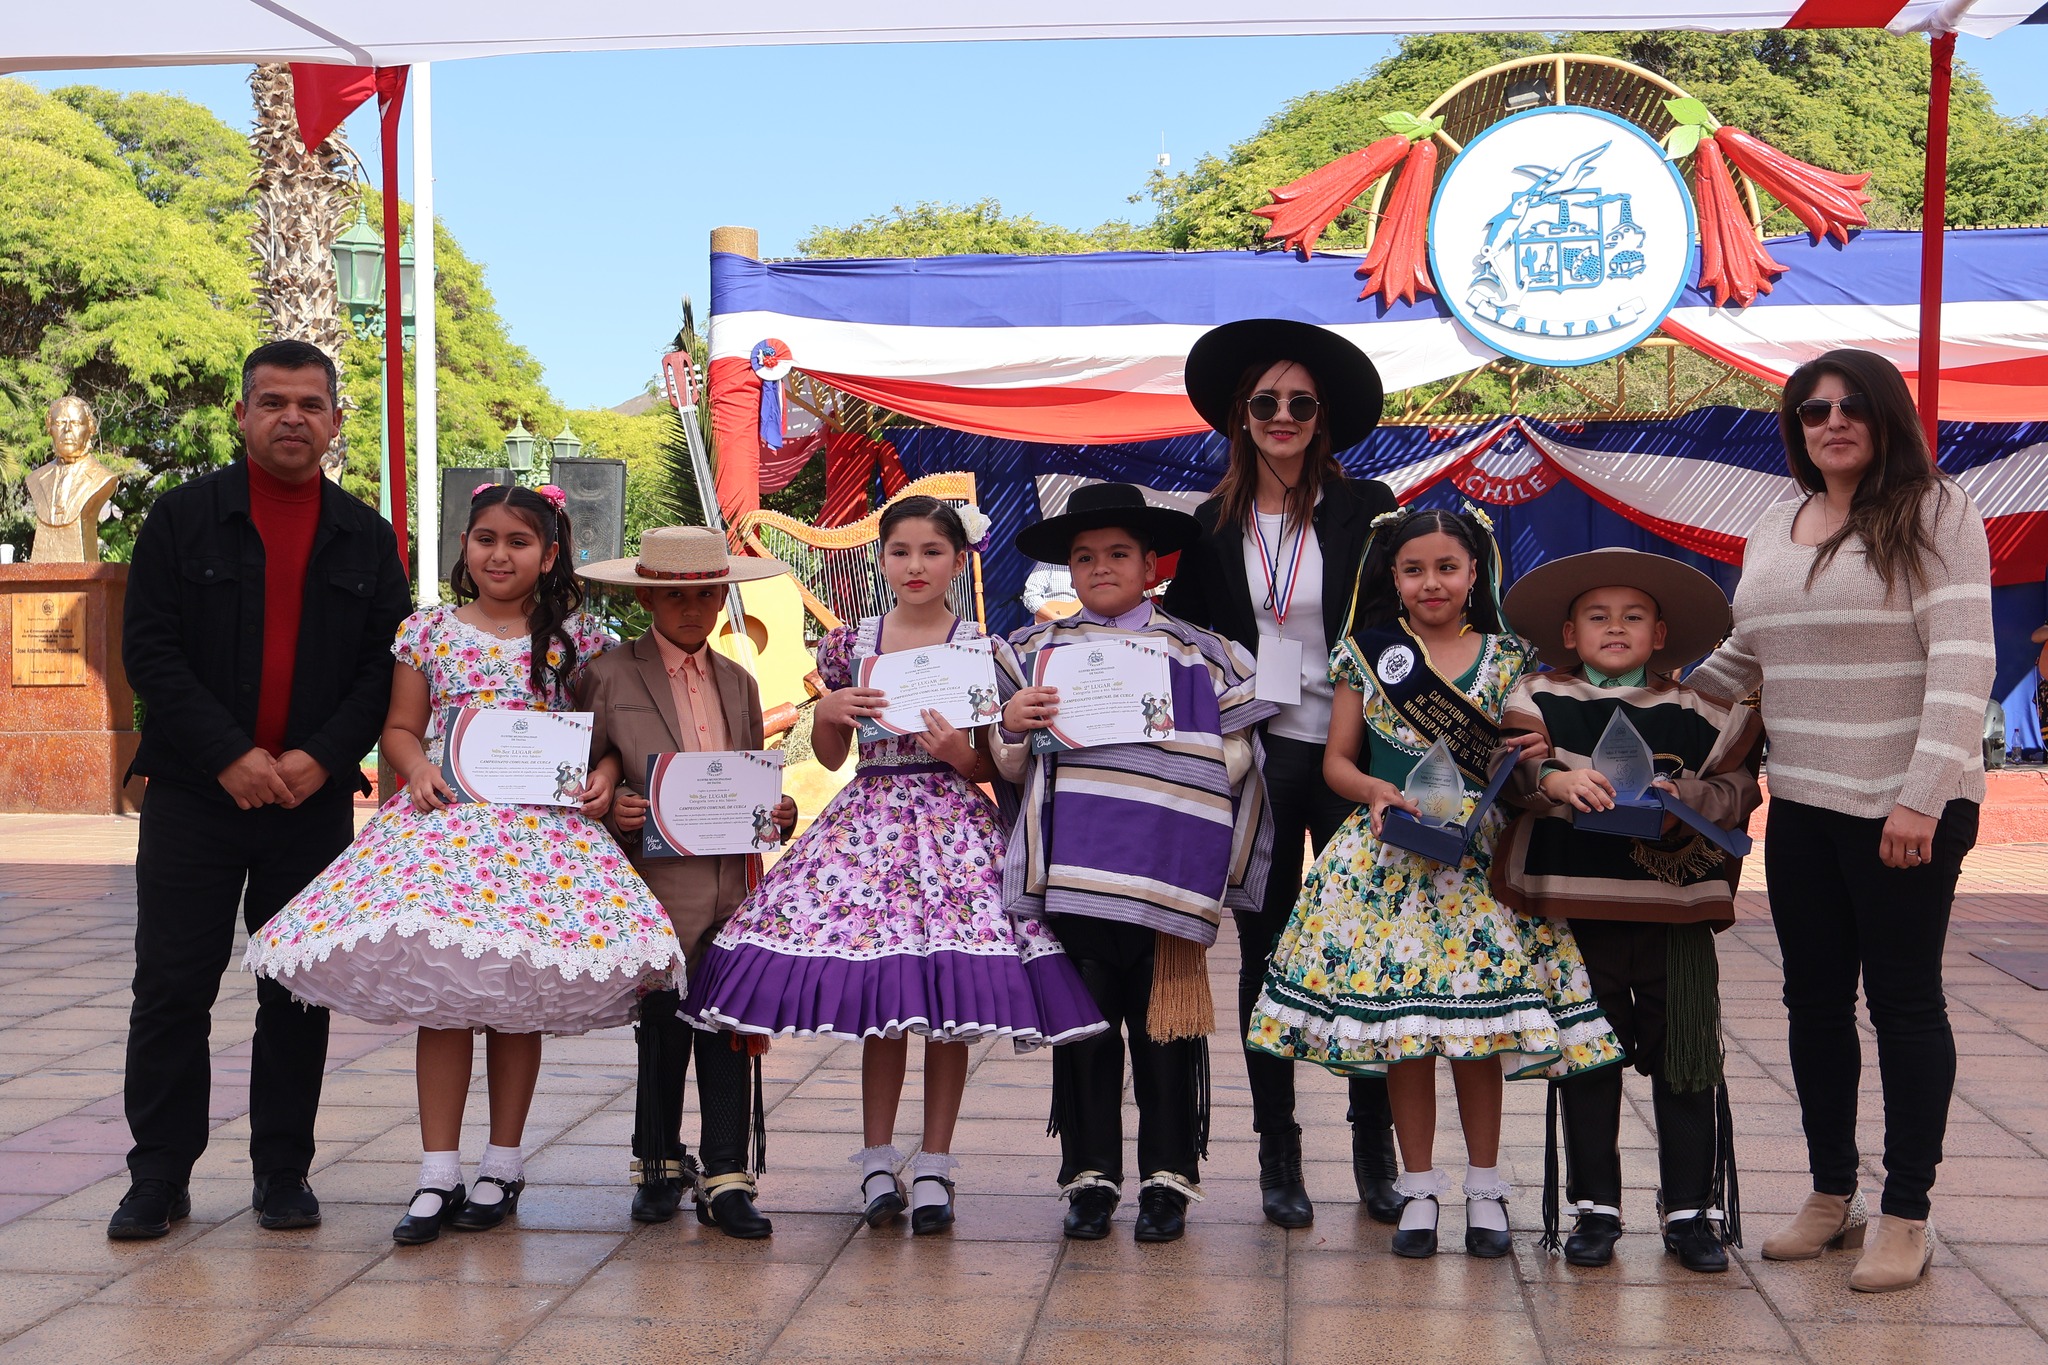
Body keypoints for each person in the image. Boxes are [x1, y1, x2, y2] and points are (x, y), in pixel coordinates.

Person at [244, 484, 681, 1245]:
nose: (499, 554)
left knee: (519, 997)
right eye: (484, 538)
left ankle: (502, 1162)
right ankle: (436, 1168)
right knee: (445, 1000)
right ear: (464, 547)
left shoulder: (580, 639)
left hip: (544, 843)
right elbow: (401, 727)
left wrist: (607, 773)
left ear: (548, 555)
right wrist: (413, 768)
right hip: (450, 832)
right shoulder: (430, 632)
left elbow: (606, 732)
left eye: (518, 541)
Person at [684, 496, 1104, 1235]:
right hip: (868, 824)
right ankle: (878, 1159)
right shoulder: (850, 645)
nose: (915, 566)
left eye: (931, 552)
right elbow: (831, 758)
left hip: (951, 824)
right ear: (880, 560)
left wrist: (958, 754)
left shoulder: (979, 645)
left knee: (948, 1009)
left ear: (958, 560)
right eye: (900, 551)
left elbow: (993, 762)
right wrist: (830, 714)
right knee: (885, 1004)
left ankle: (936, 1161)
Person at [1687, 348, 1994, 1293]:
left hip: (1905, 806)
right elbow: (1746, 656)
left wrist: (1922, 793)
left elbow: (1962, 662)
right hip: (1807, 803)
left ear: (1885, 415)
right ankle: (1832, 1195)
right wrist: (1627, 697)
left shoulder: (1937, 510)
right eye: (1812, 409)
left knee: (1903, 1003)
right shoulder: (1776, 525)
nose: (1831, 421)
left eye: (1852, 405)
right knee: (1812, 1003)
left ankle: (1906, 1211)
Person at [1246, 505, 1621, 1260]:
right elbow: (1338, 762)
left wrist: (1548, 755)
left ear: (1474, 573)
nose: (1432, 582)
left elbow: (1522, 749)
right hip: (1386, 866)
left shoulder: (1507, 656)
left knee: (1476, 1038)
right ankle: (1418, 1188)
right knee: (1406, 1040)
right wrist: (1377, 793)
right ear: (1394, 577)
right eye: (1414, 569)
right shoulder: (1366, 652)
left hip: (1476, 867)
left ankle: (1484, 1189)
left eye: (1447, 567)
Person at [110, 341, 411, 1241]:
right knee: (172, 986)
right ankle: (158, 1175)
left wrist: (321, 757)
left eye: (309, 404)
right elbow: (149, 651)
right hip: (196, 797)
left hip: (309, 803)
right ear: (240, 415)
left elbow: (385, 664)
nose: (291, 417)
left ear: (333, 421)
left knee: (295, 988)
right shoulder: (180, 519)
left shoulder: (366, 535)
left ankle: (284, 1170)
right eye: (272, 401)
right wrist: (230, 754)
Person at [1163, 317, 1404, 1228]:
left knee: (1364, 949)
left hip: (1351, 753)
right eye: (1266, 402)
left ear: (1323, 417)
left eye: (1301, 403)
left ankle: (1374, 1153)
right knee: (1266, 954)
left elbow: (1394, 625)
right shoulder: (1213, 523)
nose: (1283, 416)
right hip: (1259, 761)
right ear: (1240, 414)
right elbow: (1184, 641)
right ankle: (1278, 1152)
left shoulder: (1365, 506)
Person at [994, 482, 1276, 1245]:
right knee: (1084, 1029)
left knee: (1167, 1031)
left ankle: (1166, 1180)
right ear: (1069, 571)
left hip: (1166, 872)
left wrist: (1195, 757)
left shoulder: (1206, 652)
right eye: (1084, 557)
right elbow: (1010, 766)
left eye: (1118, 553)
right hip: (1075, 876)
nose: (1101, 567)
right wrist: (1013, 729)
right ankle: (1090, 1178)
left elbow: (1245, 747)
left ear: (1153, 563)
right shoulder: (1029, 653)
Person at [1492, 549, 1764, 1273]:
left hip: (1672, 912)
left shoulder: (1700, 709)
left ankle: (1690, 1213)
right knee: (1588, 1058)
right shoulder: (1536, 698)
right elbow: (1512, 768)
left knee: (1686, 1061)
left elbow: (1739, 782)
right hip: (1579, 913)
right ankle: (1595, 1208)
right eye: (1598, 617)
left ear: (1661, 632)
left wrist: (1695, 801)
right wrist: (1556, 776)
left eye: (1634, 616)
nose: (1616, 627)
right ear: (1570, 635)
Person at [576, 527, 800, 1238]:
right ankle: (657, 1163)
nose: (692, 607)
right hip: (654, 877)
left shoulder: (740, 681)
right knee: (664, 1024)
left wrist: (779, 812)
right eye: (675, 593)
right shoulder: (609, 673)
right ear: (648, 597)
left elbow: (750, 782)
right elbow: (579, 778)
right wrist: (610, 806)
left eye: (706, 592)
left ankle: (729, 1173)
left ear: (721, 595)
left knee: (729, 1021)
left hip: (731, 878)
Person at [25, 395, 120, 562]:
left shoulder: (104, 477)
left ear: (89, 429)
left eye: (76, 423)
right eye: (60, 423)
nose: (67, 429)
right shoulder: (36, 478)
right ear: (50, 429)